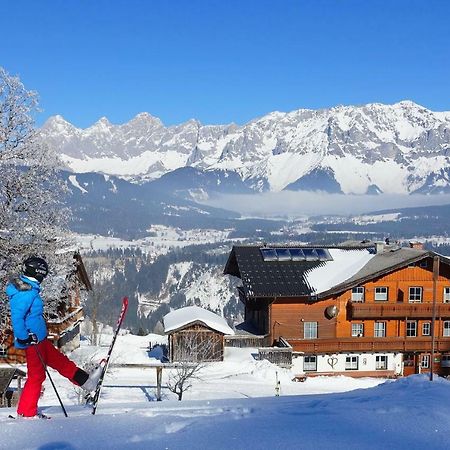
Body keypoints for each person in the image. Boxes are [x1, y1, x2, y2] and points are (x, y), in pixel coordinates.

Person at [6, 256, 101, 418]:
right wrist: (24, 338)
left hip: (40, 340)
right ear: (38, 273)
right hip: (33, 343)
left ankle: (86, 381)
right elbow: (17, 318)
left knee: (61, 362)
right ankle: (26, 413)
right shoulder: (25, 293)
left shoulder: (29, 288)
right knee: (37, 375)